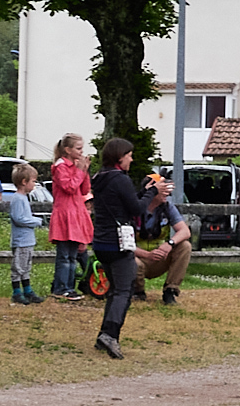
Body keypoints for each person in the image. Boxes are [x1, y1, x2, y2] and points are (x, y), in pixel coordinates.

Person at [88, 137, 142, 358]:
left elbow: (123, 203)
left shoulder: (99, 177)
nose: (131, 159)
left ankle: (104, 334)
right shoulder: (120, 179)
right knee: (124, 291)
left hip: (101, 242)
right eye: (129, 155)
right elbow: (136, 208)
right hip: (118, 243)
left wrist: (144, 191)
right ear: (120, 157)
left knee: (114, 290)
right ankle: (111, 334)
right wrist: (151, 193)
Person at [129, 170, 193, 304]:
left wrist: (169, 244)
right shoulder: (133, 209)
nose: (167, 193)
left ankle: (170, 290)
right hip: (137, 257)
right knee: (132, 262)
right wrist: (147, 255)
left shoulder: (167, 207)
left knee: (185, 246)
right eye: (163, 189)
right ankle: (137, 291)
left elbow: (185, 231)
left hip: (159, 257)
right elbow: (124, 244)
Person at [48, 133, 94, 301]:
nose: (81, 152)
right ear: (67, 150)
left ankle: (69, 287)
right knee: (64, 256)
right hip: (64, 214)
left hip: (75, 214)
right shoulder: (60, 166)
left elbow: (84, 190)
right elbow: (69, 187)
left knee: (73, 255)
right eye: (78, 148)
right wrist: (80, 171)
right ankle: (61, 288)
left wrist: (84, 171)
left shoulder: (75, 166)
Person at [5, 163, 46, 305]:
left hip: (27, 240)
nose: (34, 184)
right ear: (24, 182)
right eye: (33, 181)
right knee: (18, 267)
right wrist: (36, 221)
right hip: (21, 240)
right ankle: (17, 292)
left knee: (26, 266)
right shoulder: (17, 199)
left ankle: (27, 290)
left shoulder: (24, 198)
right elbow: (19, 218)